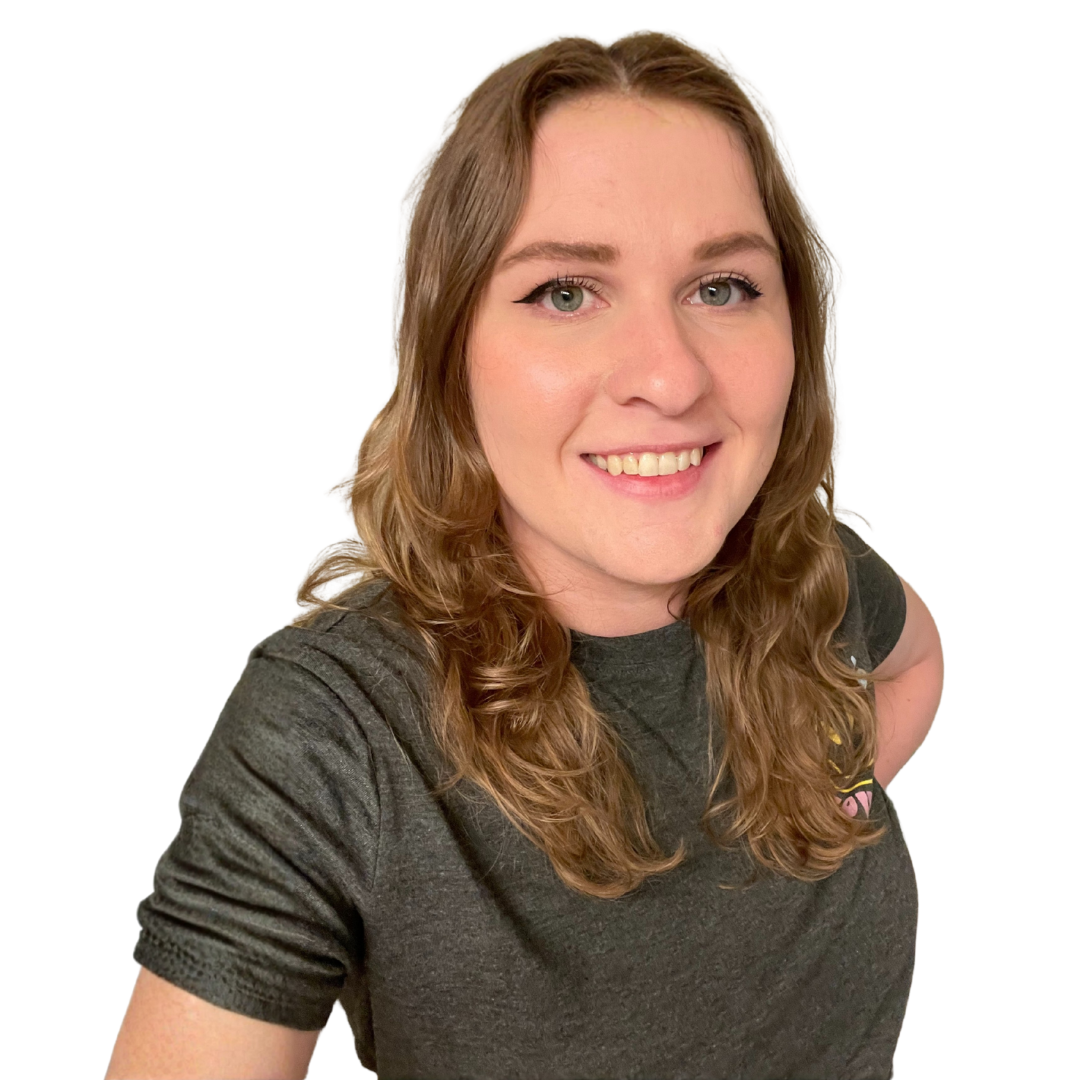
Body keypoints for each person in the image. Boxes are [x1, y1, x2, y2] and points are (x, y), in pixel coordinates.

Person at [105, 29, 943, 1080]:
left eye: (722, 287)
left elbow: (918, 657)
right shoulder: (335, 729)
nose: (669, 377)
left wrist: (843, 794)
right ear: (448, 354)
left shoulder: (811, 572)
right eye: (564, 292)